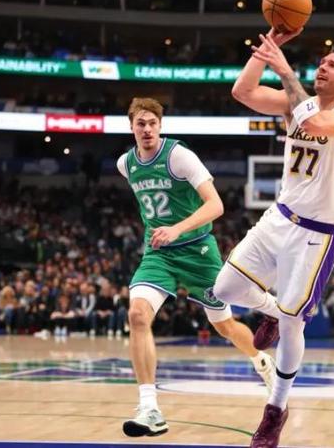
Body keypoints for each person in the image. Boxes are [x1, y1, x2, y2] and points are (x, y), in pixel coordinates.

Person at [212, 29, 334, 447]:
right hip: (279, 217)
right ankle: (272, 312)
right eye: (321, 61)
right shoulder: (294, 102)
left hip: (319, 235)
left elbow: (314, 122)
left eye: (332, 64)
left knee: (294, 321)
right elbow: (242, 91)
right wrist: (269, 48)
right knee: (224, 289)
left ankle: (275, 409)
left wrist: (285, 71)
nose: (323, 66)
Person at [117, 97, 275, 438]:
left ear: (161, 126)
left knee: (225, 326)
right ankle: (149, 408)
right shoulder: (125, 164)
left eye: (152, 123)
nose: (147, 129)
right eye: (141, 123)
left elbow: (216, 205)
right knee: (138, 315)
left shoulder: (178, 155)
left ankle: (261, 360)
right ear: (131, 127)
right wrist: (164, 232)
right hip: (159, 253)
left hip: (198, 250)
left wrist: (177, 228)